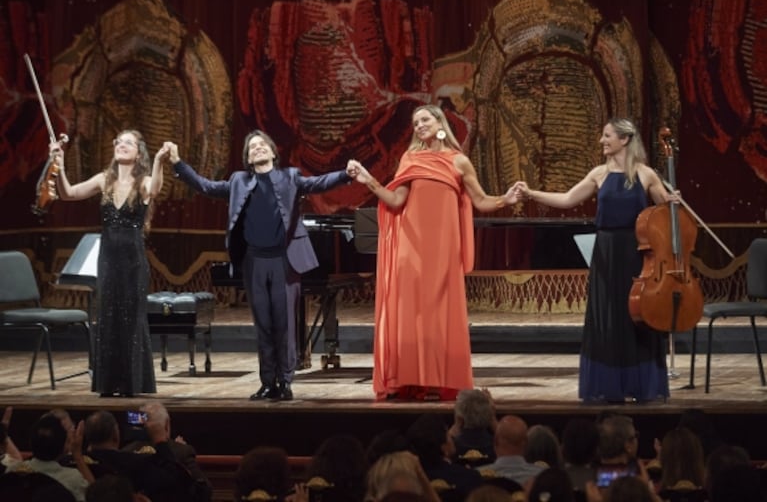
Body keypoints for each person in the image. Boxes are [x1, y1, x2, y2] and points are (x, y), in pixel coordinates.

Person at [346, 104, 519, 401]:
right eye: (415, 122)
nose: (419, 125)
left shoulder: (459, 161)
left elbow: (481, 201)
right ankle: (411, 379)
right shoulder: (410, 159)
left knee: (440, 314)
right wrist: (369, 181)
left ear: (439, 122)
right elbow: (396, 200)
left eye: (424, 119)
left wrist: (506, 199)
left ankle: (442, 378)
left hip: (442, 252)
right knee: (411, 314)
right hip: (410, 251)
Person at [169, 130, 351, 401]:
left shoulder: (290, 177)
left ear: (272, 151)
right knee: (263, 325)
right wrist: (177, 164)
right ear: (247, 157)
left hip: (283, 261)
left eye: (262, 145)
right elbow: (206, 186)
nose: (257, 149)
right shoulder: (238, 181)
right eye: (252, 147)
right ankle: (268, 382)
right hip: (254, 262)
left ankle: (286, 381)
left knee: (285, 324)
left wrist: (345, 174)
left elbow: (318, 183)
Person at [515, 118, 676, 403]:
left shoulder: (645, 174)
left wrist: (671, 200)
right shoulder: (599, 174)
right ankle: (610, 384)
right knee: (608, 318)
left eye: (607, 136)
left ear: (624, 140)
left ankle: (640, 383)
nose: (602, 141)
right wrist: (530, 193)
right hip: (605, 253)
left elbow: (665, 213)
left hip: (637, 253)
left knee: (636, 317)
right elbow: (567, 199)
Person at [52, 130, 170, 397]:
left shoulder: (143, 181)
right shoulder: (103, 180)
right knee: (108, 316)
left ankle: (131, 383)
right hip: (108, 259)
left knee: (131, 318)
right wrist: (58, 165)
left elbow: (155, 189)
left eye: (128, 142)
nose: (121, 145)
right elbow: (69, 193)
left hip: (133, 261)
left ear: (139, 152)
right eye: (118, 141)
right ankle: (108, 383)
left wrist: (160, 161)